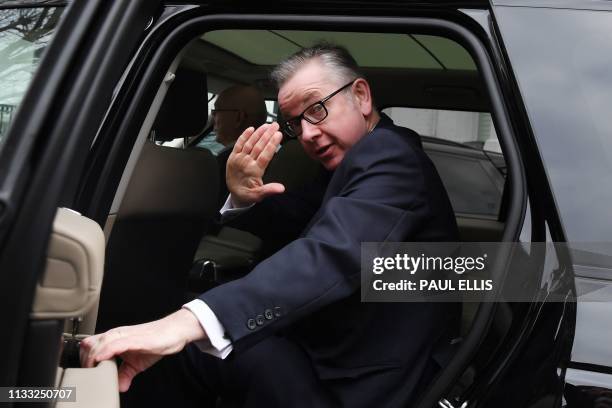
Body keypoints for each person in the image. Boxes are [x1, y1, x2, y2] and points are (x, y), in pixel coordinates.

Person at [81, 43, 460, 407]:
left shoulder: (390, 154)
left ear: (361, 96)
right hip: (340, 350)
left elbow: (330, 253)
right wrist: (245, 198)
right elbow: (303, 219)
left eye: (317, 109)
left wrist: (184, 324)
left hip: (358, 382)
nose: (307, 134)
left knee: (186, 350)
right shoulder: (356, 160)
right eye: (295, 122)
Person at [210, 85, 267, 206]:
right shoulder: (273, 158)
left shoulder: (225, 164)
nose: (212, 118)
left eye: (216, 111)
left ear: (238, 118)